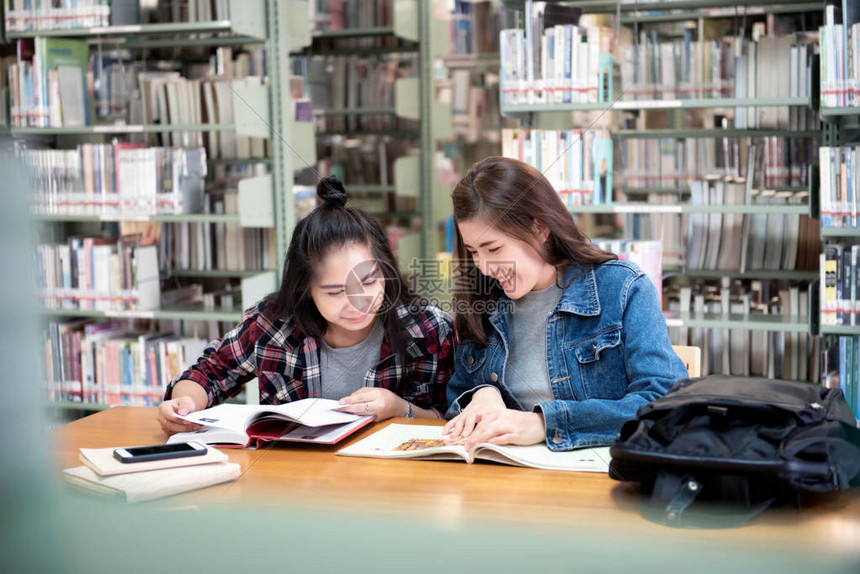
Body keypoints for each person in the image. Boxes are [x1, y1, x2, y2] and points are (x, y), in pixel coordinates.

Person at [158, 176, 454, 434]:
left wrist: (400, 408)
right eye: (335, 292)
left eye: (368, 281)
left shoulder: (427, 329)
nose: (358, 302)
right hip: (297, 483)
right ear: (307, 290)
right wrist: (183, 404)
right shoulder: (273, 325)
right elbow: (210, 371)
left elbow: (454, 417)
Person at [442, 156, 687, 451]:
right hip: (502, 478)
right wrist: (480, 395)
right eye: (473, 252)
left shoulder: (621, 289)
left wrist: (545, 424)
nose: (484, 267)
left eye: (494, 249)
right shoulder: (481, 299)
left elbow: (663, 402)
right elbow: (456, 396)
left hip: (595, 478)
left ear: (540, 228)